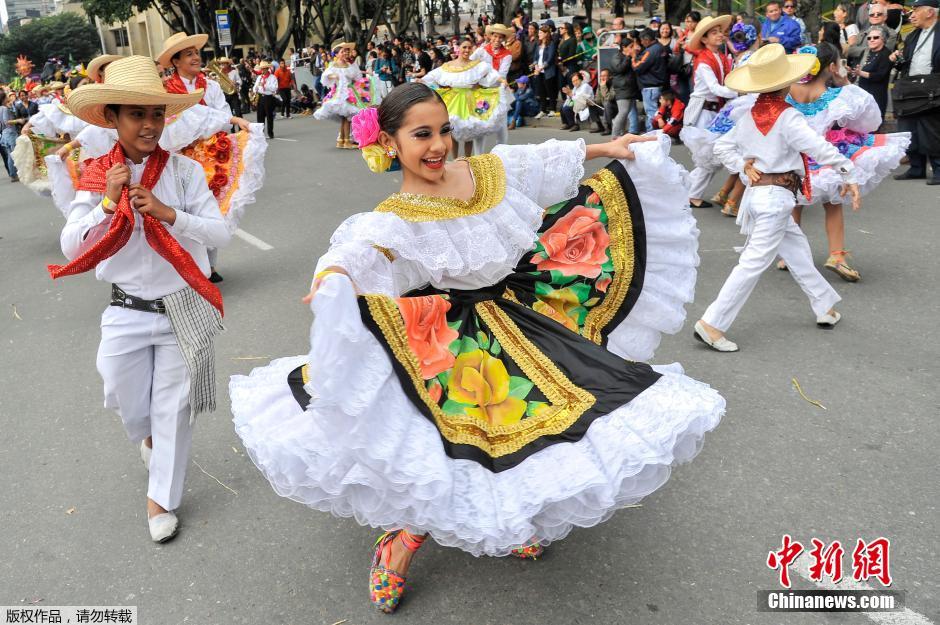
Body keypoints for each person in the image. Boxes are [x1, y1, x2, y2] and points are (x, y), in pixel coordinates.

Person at [229, 82, 725, 613]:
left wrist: (609, 147)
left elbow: (540, 160)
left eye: (443, 130)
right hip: (447, 333)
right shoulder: (393, 217)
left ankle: (511, 519)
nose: (438, 145)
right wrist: (333, 277)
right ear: (390, 143)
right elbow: (358, 252)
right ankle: (402, 542)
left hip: (517, 310)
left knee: (541, 426)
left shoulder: (485, 171)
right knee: (442, 448)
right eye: (421, 134)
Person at [50, 55, 231, 543]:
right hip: (125, 309)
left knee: (174, 407)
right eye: (136, 114)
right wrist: (108, 205)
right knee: (124, 397)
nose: (149, 124)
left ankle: (161, 500)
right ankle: (148, 437)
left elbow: (221, 233)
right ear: (112, 117)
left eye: (156, 113)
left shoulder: (186, 172)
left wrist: (171, 214)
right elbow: (71, 248)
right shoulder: (96, 174)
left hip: (181, 307)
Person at [695, 44, 860, 353]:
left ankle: (824, 305)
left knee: (796, 250)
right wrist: (848, 172)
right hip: (774, 199)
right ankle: (712, 323)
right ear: (786, 83)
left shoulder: (749, 116)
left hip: (762, 197)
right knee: (752, 263)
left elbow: (722, 147)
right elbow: (817, 147)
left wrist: (742, 167)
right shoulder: (787, 117)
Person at [784, 42, 908, 281]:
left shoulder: (786, 91)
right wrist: (845, 82)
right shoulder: (838, 96)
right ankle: (837, 256)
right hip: (826, 156)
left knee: (794, 204)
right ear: (833, 67)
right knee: (833, 204)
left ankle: (790, 256)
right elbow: (869, 121)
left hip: (793, 156)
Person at [682, 16, 739, 208]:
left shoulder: (720, 57)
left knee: (710, 158)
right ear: (704, 39)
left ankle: (687, 192)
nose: (720, 35)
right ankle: (691, 194)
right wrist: (740, 92)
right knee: (708, 158)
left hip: (714, 111)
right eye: (714, 33)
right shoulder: (704, 61)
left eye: (720, 32)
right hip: (703, 111)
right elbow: (715, 88)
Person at [420, 38, 509, 157]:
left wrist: (501, 80)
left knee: (469, 130)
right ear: (458, 49)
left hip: (470, 98)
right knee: (452, 130)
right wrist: (421, 80)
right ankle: (455, 159)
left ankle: (468, 159)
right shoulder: (448, 66)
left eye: (469, 47)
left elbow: (491, 72)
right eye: (464, 47)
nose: (467, 50)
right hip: (453, 99)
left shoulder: (476, 65)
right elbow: (433, 75)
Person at [890, 0, 940, 185]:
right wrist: (897, 58)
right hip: (911, 88)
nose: (912, 14)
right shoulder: (912, 35)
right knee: (909, 128)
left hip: (933, 88)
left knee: (931, 130)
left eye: (916, 10)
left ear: (930, 12)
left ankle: (938, 169)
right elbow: (906, 61)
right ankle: (916, 168)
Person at [470, 23, 514, 153]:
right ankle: (478, 157)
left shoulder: (507, 55)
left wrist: (483, 78)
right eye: (495, 36)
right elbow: (469, 64)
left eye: (500, 37)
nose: (497, 39)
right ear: (490, 36)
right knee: (479, 125)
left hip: (498, 93)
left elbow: (502, 75)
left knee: (501, 126)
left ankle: (501, 155)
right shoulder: (481, 51)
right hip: (482, 94)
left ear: (503, 39)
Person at [314, 42, 367, 149]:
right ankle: (346, 141)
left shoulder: (349, 64)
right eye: (342, 52)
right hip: (341, 94)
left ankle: (341, 140)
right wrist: (335, 76)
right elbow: (325, 76)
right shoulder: (334, 65)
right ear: (337, 54)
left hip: (350, 93)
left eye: (345, 51)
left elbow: (357, 77)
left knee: (345, 117)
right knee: (347, 117)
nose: (345, 53)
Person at [852, 26, 893, 117]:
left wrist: (861, 73)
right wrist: (851, 70)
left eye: (875, 37)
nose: (872, 40)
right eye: (869, 38)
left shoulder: (886, 54)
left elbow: (880, 76)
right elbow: (857, 68)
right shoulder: (866, 52)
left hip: (876, 97)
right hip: (862, 95)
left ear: (883, 39)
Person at [632, 29, 668, 132]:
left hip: (650, 86)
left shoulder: (650, 51)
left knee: (651, 112)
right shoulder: (660, 47)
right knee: (656, 111)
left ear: (647, 39)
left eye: (642, 40)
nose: (641, 43)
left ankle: (652, 134)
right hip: (658, 84)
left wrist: (633, 57)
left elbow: (637, 67)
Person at [609, 38, 641, 136]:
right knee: (623, 112)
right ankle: (614, 136)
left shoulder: (630, 57)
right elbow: (619, 69)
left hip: (630, 88)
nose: (633, 49)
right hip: (622, 88)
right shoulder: (617, 56)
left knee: (625, 113)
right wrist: (628, 57)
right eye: (631, 47)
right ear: (623, 47)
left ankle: (621, 134)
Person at [532, 24, 559, 118]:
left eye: (540, 33)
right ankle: (542, 110)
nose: (538, 34)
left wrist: (541, 68)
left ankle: (552, 109)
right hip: (539, 71)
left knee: (550, 90)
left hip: (548, 71)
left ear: (546, 34)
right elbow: (535, 57)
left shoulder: (551, 44)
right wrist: (536, 66)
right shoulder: (538, 44)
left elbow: (550, 59)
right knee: (541, 91)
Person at [253, 61, 279, 139]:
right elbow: (255, 87)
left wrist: (265, 85)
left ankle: (270, 133)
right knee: (260, 116)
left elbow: (275, 88)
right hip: (260, 97)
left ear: (267, 69)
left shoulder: (272, 77)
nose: (263, 70)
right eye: (262, 69)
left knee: (269, 116)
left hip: (268, 97)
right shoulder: (259, 77)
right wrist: (255, 89)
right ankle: (261, 134)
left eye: (264, 69)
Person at [0, 92, 20, 181]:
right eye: (6, 97)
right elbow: (6, 121)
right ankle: (13, 174)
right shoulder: (4, 108)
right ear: (3, 99)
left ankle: (13, 174)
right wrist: (18, 121)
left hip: (5, 133)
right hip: (10, 133)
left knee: (10, 154)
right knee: (13, 154)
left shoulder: (2, 108)